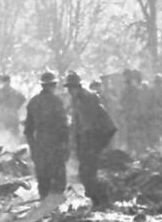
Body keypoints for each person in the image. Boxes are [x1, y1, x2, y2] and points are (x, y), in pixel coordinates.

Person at [65, 71, 116, 205]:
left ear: (77, 87)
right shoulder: (76, 99)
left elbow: (90, 123)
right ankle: (93, 198)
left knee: (89, 170)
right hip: (85, 140)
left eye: (71, 88)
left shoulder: (88, 99)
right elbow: (77, 122)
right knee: (85, 170)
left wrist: (87, 143)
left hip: (93, 139)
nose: (69, 91)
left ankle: (98, 199)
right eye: (68, 88)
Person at [23, 71, 68, 198]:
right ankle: (57, 206)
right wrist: (66, 145)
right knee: (58, 178)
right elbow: (63, 126)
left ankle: (44, 203)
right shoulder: (56, 102)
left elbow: (28, 129)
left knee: (43, 176)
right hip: (56, 142)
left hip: (40, 142)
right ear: (53, 85)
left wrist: (32, 147)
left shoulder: (33, 102)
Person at [119, 68, 142, 155]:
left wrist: (134, 111)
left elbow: (138, 101)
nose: (125, 78)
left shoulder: (134, 88)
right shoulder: (124, 89)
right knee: (128, 134)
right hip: (127, 114)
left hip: (134, 115)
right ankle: (130, 152)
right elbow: (121, 101)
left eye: (126, 76)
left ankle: (136, 152)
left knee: (135, 135)